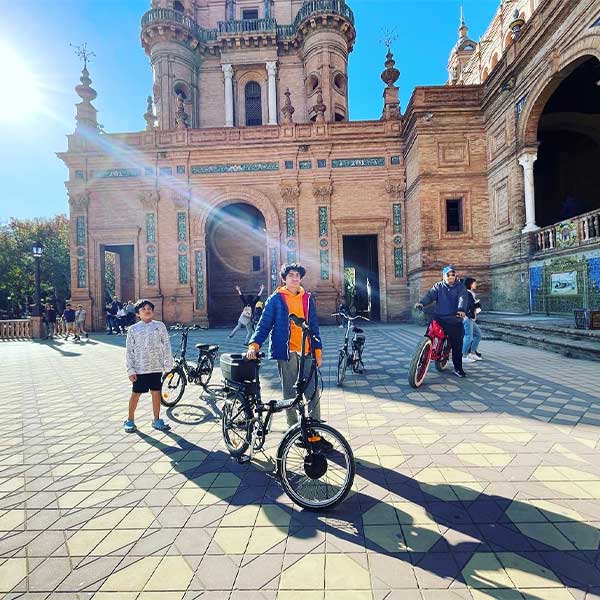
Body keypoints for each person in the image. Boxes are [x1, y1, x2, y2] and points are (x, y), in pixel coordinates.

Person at [247, 263, 323, 426]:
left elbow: (314, 326)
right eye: (291, 275)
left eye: (297, 275)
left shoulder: (307, 298)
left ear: (301, 278)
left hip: (307, 350)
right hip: (287, 351)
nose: (295, 278)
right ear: (284, 279)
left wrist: (318, 350)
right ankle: (293, 427)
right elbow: (264, 324)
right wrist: (254, 344)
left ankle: (315, 427)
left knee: (313, 391)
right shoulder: (276, 299)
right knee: (290, 393)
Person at [124, 299, 174, 433]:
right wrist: (130, 370)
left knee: (156, 393)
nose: (147, 310)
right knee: (136, 394)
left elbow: (166, 345)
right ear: (137, 314)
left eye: (149, 308)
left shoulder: (160, 326)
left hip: (156, 367)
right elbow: (129, 350)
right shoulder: (133, 329)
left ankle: (156, 419)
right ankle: (130, 419)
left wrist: (168, 363)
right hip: (139, 368)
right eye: (143, 309)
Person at [415, 265, 469, 378]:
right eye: (448, 275)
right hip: (439, 318)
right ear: (443, 276)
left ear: (456, 276)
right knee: (428, 335)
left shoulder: (461, 288)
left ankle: (458, 369)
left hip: (454, 319)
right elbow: (430, 295)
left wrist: (461, 310)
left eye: (453, 274)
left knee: (456, 345)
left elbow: (462, 299)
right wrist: (422, 303)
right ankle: (422, 353)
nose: (451, 277)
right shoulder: (438, 287)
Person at [462, 277, 482, 363]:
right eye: (474, 283)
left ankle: (472, 353)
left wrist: (476, 304)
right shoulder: (466, 293)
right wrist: (477, 304)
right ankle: (463, 356)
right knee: (468, 337)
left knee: (478, 334)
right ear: (470, 284)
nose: (475, 284)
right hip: (467, 318)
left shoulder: (470, 293)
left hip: (471, 318)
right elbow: (468, 306)